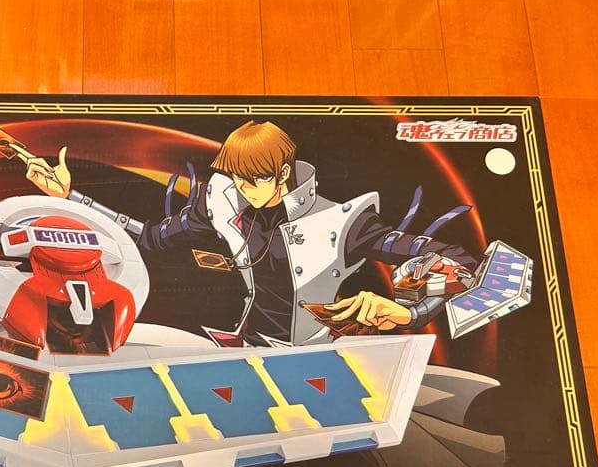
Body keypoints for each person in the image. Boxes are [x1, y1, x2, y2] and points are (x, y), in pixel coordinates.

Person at [23, 120, 477, 347]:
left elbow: (464, 265)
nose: (243, 190)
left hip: (312, 357)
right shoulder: (224, 202)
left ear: (282, 174)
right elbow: (149, 238)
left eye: (254, 179)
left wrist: (408, 312)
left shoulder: (341, 223)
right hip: (244, 346)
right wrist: (70, 197)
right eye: (236, 178)